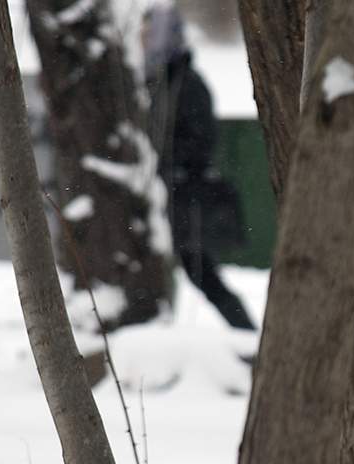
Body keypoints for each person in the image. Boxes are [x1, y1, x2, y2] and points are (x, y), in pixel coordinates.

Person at [141, 4, 256, 332]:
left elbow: (201, 141)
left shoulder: (187, 83)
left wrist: (168, 165)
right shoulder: (155, 80)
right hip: (165, 194)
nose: (144, 41)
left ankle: (248, 337)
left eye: (150, 34)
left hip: (183, 198)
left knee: (202, 273)